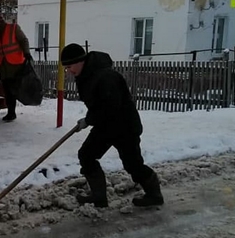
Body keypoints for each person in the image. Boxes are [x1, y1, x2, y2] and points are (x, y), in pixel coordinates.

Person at [60, 43, 164, 207]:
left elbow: (110, 105)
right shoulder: (85, 76)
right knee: (86, 155)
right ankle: (99, 196)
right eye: (66, 68)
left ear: (81, 61)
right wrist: (88, 119)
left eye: (69, 66)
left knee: (133, 165)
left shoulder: (105, 76)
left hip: (124, 126)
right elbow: (98, 105)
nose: (69, 71)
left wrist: (89, 120)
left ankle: (154, 194)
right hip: (106, 125)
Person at [0, 13, 32, 122]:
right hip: (4, 67)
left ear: (2, 22)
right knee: (7, 91)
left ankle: (12, 112)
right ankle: (11, 112)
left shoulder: (13, 28)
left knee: (13, 90)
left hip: (16, 65)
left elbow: (24, 40)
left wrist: (26, 53)